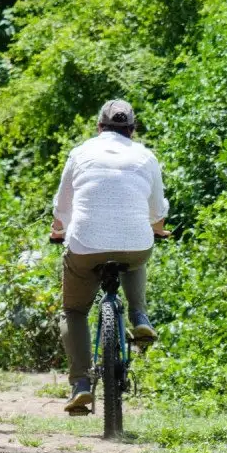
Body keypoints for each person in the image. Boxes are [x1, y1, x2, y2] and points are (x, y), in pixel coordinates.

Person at [50, 99, 170, 414]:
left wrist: (58, 229)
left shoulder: (80, 153)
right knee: (137, 252)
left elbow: (62, 208)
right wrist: (157, 228)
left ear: (99, 127)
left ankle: (80, 384)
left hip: (85, 245)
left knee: (73, 311)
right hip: (135, 245)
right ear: (132, 130)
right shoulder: (146, 156)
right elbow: (157, 212)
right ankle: (139, 317)